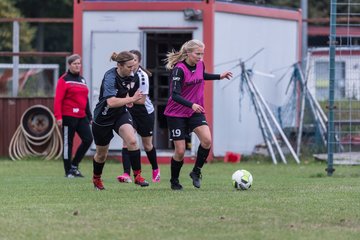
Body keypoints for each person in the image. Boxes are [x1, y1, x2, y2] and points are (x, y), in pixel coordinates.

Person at [163, 39, 233, 190]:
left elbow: (201, 75)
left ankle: (196, 172)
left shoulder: (200, 64)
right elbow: (174, 95)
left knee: (207, 140)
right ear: (188, 53)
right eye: (197, 54)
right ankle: (174, 181)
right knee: (180, 151)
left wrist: (219, 76)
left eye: (202, 53)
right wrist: (192, 105)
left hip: (195, 112)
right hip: (176, 113)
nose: (200, 57)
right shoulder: (179, 69)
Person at [91, 51, 149, 190]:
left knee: (133, 141)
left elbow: (125, 92)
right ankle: (96, 179)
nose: (133, 69)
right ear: (120, 66)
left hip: (120, 114)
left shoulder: (132, 75)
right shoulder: (110, 77)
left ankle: (137, 176)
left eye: (134, 66)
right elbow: (111, 102)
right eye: (129, 66)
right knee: (101, 154)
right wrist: (130, 99)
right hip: (103, 117)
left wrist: (128, 99)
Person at [117, 50, 160, 183]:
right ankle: (126, 174)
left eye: (134, 60)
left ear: (138, 62)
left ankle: (155, 169)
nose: (132, 63)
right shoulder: (122, 75)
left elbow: (141, 101)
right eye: (129, 61)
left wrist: (126, 99)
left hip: (144, 113)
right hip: (129, 112)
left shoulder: (142, 76)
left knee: (147, 145)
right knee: (128, 141)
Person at [54, 54, 93, 178]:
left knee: (88, 139)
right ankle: (68, 171)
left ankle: (74, 165)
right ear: (69, 65)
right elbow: (58, 100)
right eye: (75, 64)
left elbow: (85, 99)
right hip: (68, 116)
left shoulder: (82, 80)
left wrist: (89, 116)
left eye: (79, 63)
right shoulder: (63, 80)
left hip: (82, 116)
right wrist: (58, 117)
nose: (77, 66)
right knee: (68, 144)